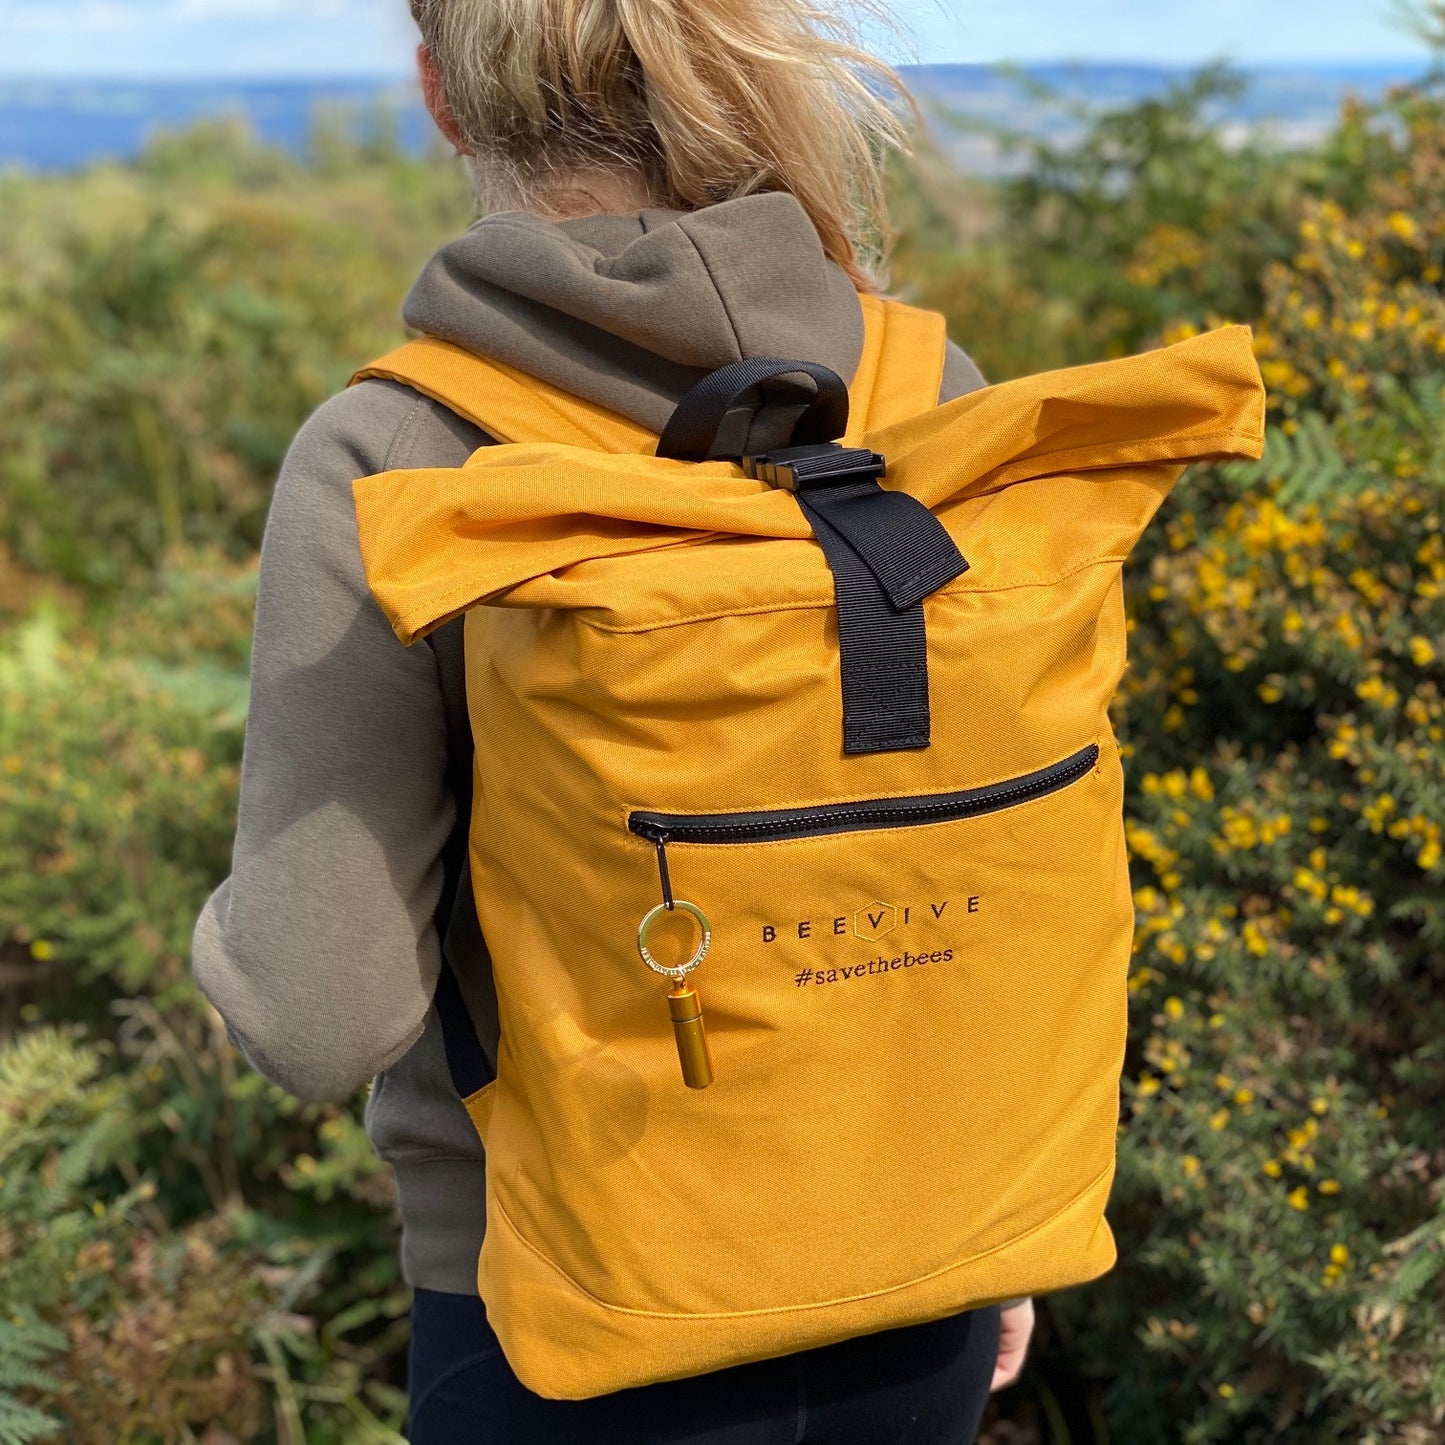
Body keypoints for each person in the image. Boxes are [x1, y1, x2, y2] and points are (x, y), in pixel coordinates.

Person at [191, 0, 1037, 1438]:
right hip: (926, 1287)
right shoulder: (920, 389)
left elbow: (322, 1013)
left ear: (438, 93)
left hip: (562, 1324)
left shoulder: (403, 450)